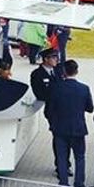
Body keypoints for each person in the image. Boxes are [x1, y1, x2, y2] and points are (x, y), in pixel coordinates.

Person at [49, 60, 94, 187]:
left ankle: (63, 186)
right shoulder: (84, 88)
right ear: (77, 71)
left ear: (64, 71)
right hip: (78, 128)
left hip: (60, 128)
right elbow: (90, 108)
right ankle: (79, 186)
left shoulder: (56, 88)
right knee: (80, 157)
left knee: (62, 157)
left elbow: (50, 109)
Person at [30, 48, 64, 179]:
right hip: (52, 110)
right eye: (53, 57)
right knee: (59, 138)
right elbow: (40, 93)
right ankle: (61, 166)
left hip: (63, 109)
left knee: (64, 137)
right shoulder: (37, 74)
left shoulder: (58, 71)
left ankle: (64, 164)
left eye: (56, 57)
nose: (56, 60)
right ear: (45, 59)